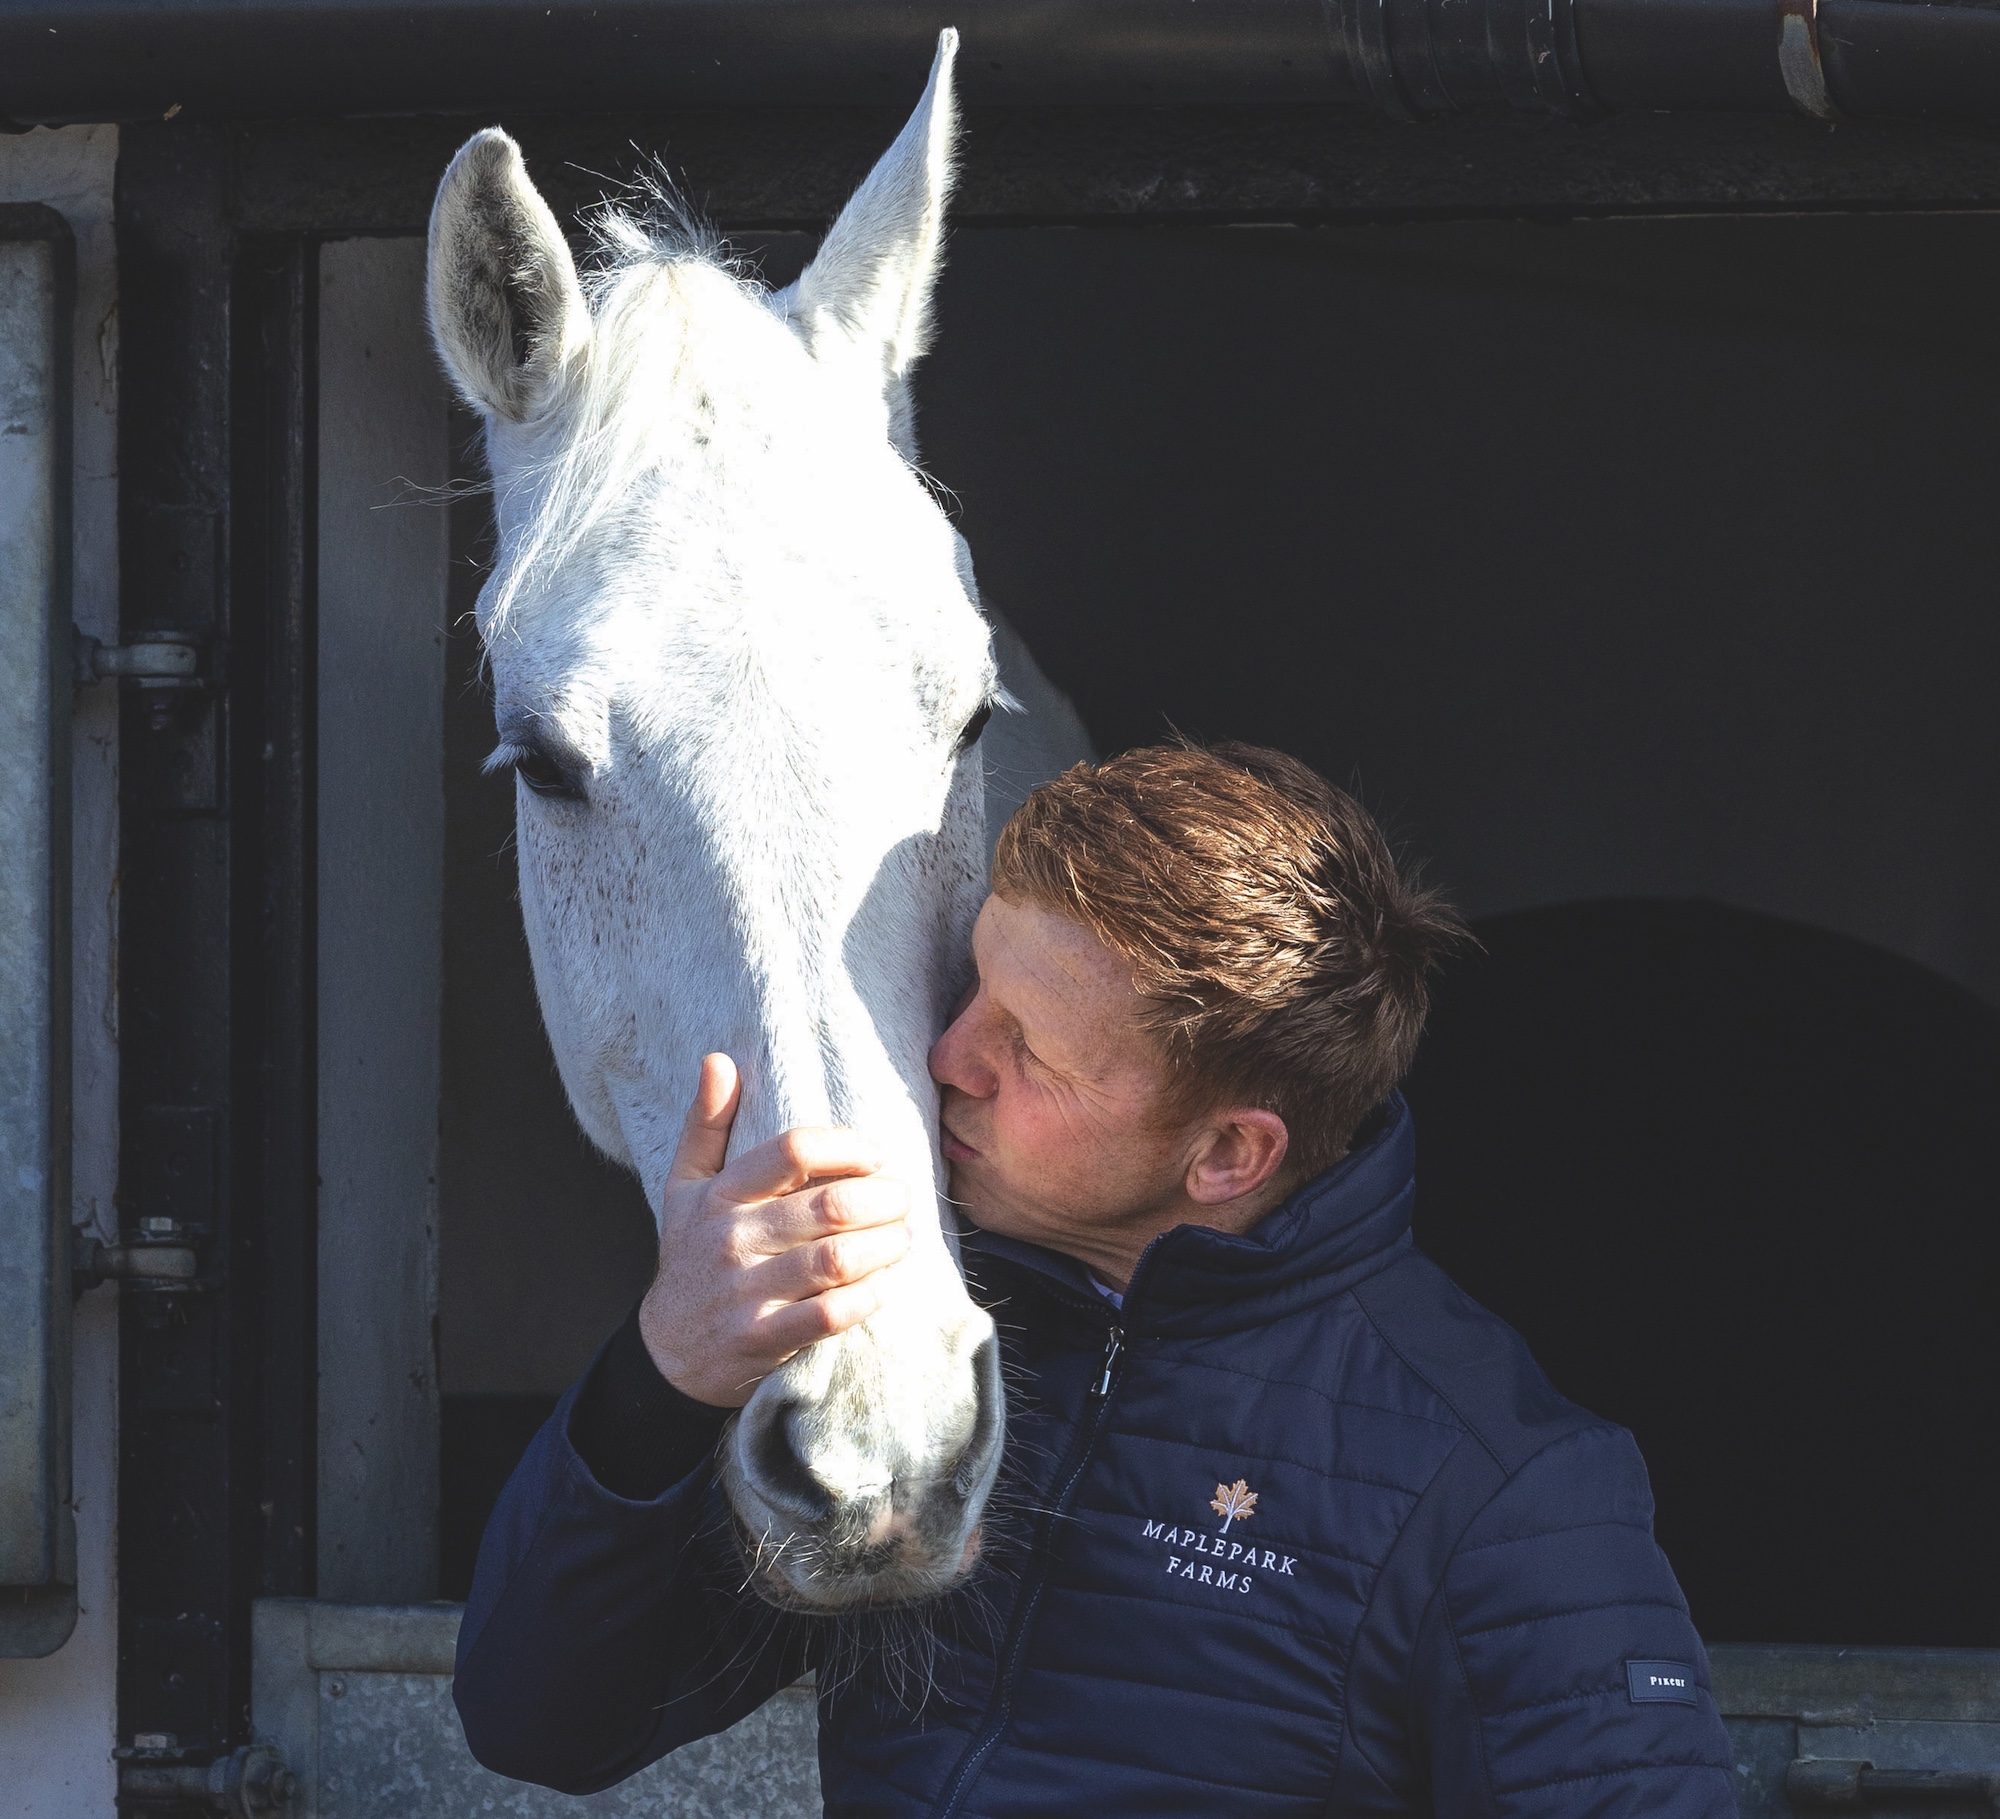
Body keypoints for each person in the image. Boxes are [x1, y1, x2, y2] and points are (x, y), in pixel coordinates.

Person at [453, 741, 1738, 1818]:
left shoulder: (1502, 1488)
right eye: (971, 990)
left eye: (1028, 1048)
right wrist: (669, 1368)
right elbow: (543, 1727)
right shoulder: (916, 1349)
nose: (944, 1056)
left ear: (1228, 1153)